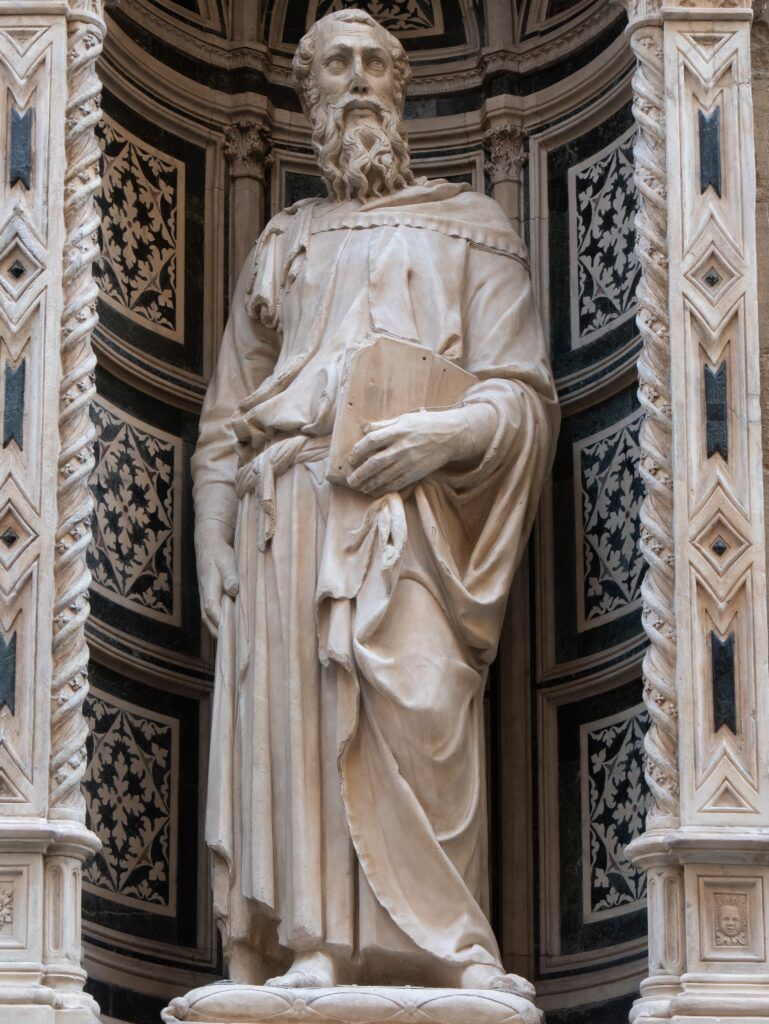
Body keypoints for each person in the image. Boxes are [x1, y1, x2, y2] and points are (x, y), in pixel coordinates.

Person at [191, 7, 558, 994]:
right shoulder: (283, 241)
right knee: (301, 735)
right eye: (333, 66)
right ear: (305, 96)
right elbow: (226, 420)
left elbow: (522, 394)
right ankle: (309, 942)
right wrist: (212, 539)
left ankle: (451, 947)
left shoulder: (472, 228)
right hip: (289, 511)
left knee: (421, 704)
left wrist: (445, 436)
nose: (355, 80)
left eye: (371, 64)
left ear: (400, 86)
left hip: (417, 520)